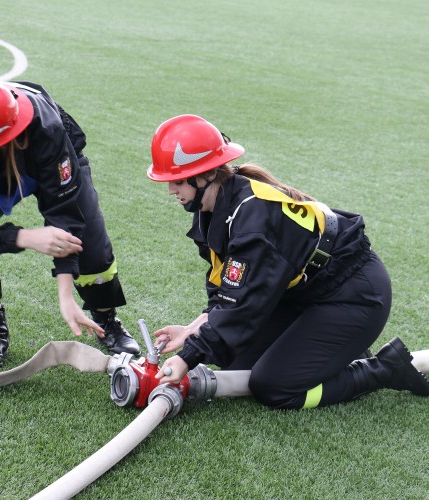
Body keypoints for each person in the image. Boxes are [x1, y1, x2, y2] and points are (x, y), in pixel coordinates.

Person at [147, 114, 429, 409]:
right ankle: (344, 352)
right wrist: (194, 328)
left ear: (204, 174)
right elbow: (231, 291)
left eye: (177, 181)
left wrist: (187, 357)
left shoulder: (251, 222)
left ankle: (382, 370)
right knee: (235, 361)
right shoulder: (214, 208)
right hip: (302, 293)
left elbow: (243, 308)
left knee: (272, 386)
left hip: (353, 296)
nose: (171, 190)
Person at [0, 79, 140, 368]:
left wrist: (65, 294)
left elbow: (63, 211)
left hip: (40, 161)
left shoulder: (46, 129)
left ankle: (106, 318)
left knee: (91, 245)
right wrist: (24, 237)